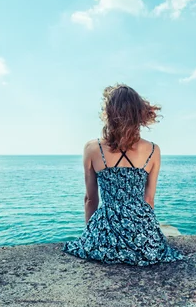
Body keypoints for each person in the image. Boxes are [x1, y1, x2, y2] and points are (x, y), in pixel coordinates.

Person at [62, 84, 185, 266]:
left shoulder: (92, 148)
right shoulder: (153, 150)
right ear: (139, 114)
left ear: (109, 113)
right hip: (140, 234)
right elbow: (149, 200)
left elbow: (90, 199)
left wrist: (91, 233)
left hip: (106, 231)